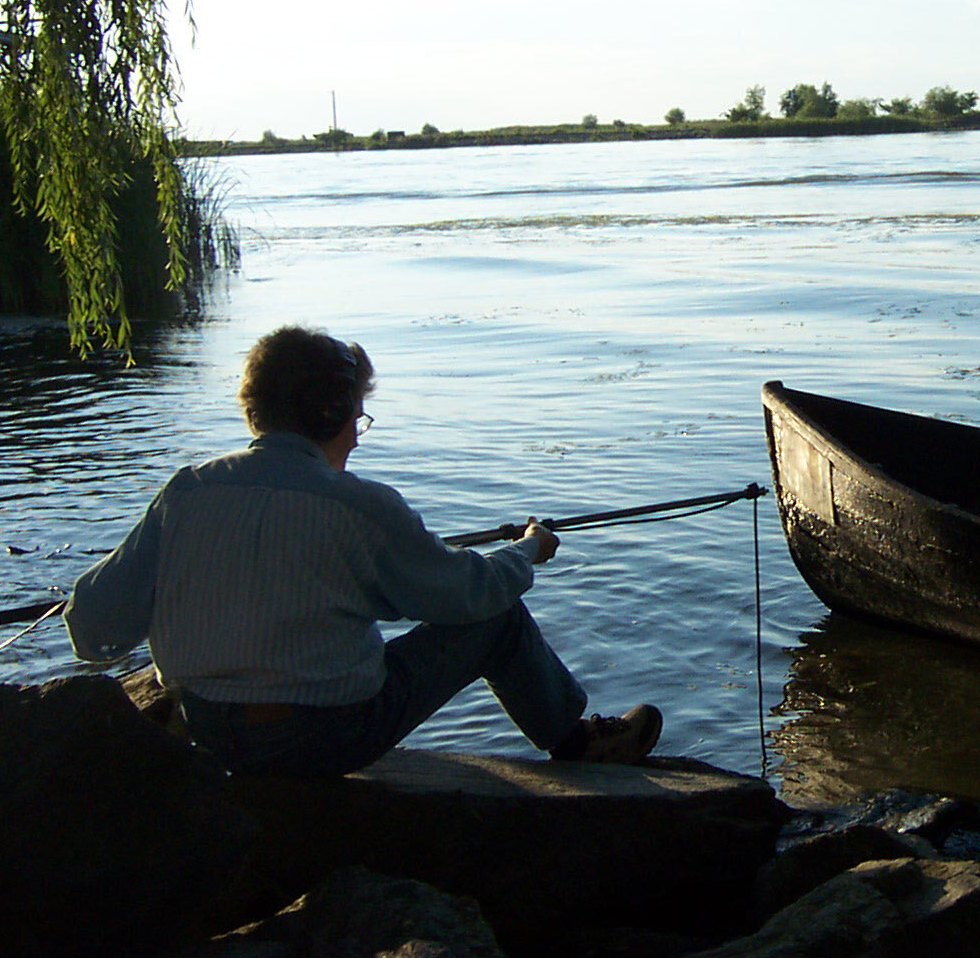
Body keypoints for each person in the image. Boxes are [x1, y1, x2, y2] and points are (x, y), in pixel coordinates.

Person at [63, 324, 661, 776]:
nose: (355, 436)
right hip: (323, 738)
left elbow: (91, 631)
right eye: (357, 417)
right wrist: (527, 551)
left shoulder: (187, 492)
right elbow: (468, 593)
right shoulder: (361, 506)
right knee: (498, 619)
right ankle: (579, 745)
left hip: (209, 732)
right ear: (333, 415)